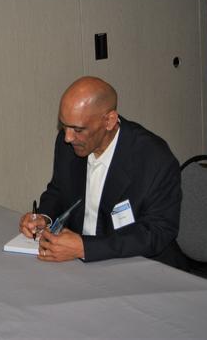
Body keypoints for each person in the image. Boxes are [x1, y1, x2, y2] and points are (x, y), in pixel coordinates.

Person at [19, 76, 188, 269]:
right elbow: (58, 189)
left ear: (109, 120)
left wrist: (86, 248)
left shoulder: (154, 158)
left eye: (78, 129)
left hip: (140, 266)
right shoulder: (69, 143)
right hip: (78, 263)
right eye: (64, 126)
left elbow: (158, 232)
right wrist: (44, 217)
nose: (67, 137)